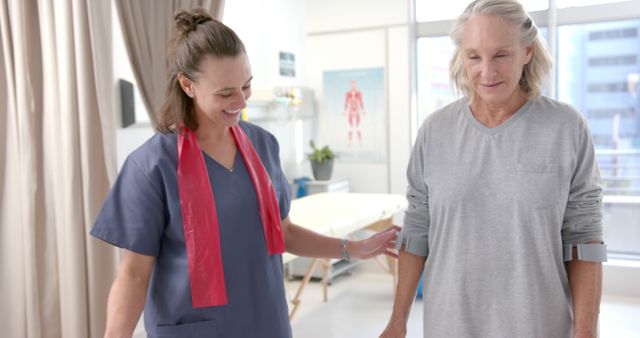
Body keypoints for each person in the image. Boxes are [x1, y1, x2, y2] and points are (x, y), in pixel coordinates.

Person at [91, 9, 399, 338]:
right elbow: (134, 274)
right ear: (187, 85)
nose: (240, 101)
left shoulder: (263, 146)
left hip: (266, 323)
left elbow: (283, 233)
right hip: (194, 329)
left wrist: (353, 248)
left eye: (246, 86)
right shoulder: (152, 166)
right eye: (225, 93)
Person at [380, 1, 606, 337]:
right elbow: (417, 230)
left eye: (500, 55)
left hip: (538, 325)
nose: (486, 72)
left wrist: (586, 332)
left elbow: (584, 237)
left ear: (527, 51)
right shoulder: (435, 131)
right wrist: (397, 321)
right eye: (474, 56)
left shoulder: (566, 128)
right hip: (449, 325)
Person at [343, 80, 366, 146]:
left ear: (355, 84)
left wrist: (363, 110)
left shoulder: (359, 93)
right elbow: (346, 102)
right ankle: (349, 142)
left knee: (358, 127)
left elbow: (361, 101)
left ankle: (360, 141)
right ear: (350, 84)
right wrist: (344, 111)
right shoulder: (348, 93)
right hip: (350, 111)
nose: (353, 85)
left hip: (357, 111)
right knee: (350, 127)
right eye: (352, 84)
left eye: (354, 84)